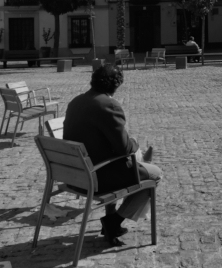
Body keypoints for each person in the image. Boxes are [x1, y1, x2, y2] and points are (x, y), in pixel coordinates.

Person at [63, 64, 161, 246]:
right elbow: (124, 148)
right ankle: (112, 222)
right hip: (97, 178)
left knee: (137, 162)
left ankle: (140, 163)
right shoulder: (108, 105)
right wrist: (135, 143)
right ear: (116, 85)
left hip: (75, 175)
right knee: (154, 176)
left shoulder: (75, 102)